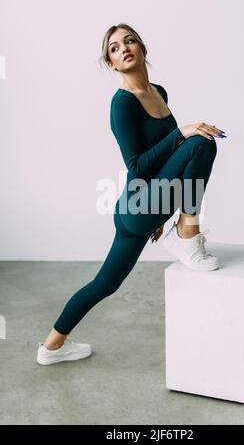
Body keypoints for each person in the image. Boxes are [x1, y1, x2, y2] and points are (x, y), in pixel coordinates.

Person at [36, 23, 227, 366]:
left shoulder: (159, 92)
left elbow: (169, 161)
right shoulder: (121, 104)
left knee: (105, 284)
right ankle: (187, 233)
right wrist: (181, 132)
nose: (123, 48)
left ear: (142, 49)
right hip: (137, 203)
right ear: (111, 64)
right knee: (200, 141)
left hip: (147, 206)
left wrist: (162, 211)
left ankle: (51, 346)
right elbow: (138, 166)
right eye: (113, 48)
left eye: (130, 41)